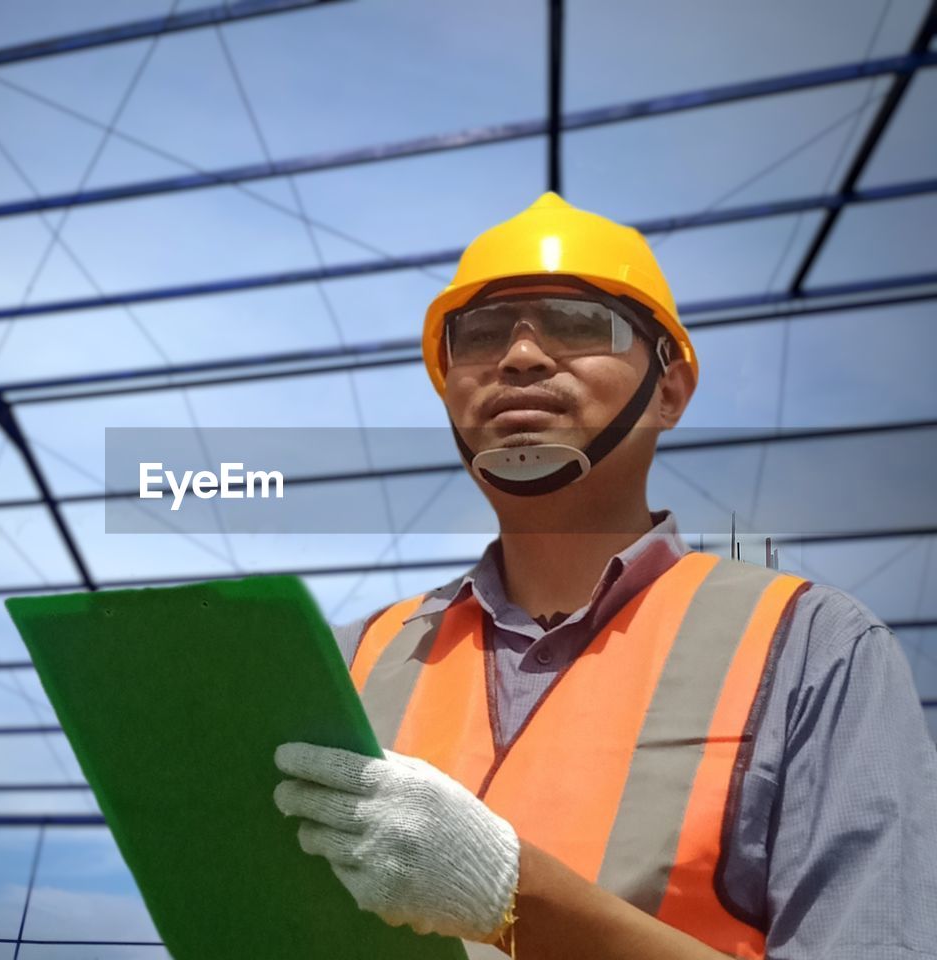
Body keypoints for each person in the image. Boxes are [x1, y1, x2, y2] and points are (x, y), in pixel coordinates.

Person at [270, 193, 937, 959]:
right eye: (481, 334)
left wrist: (515, 900)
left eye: (579, 323)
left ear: (669, 393)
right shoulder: (349, 661)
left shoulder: (813, 651)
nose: (520, 356)